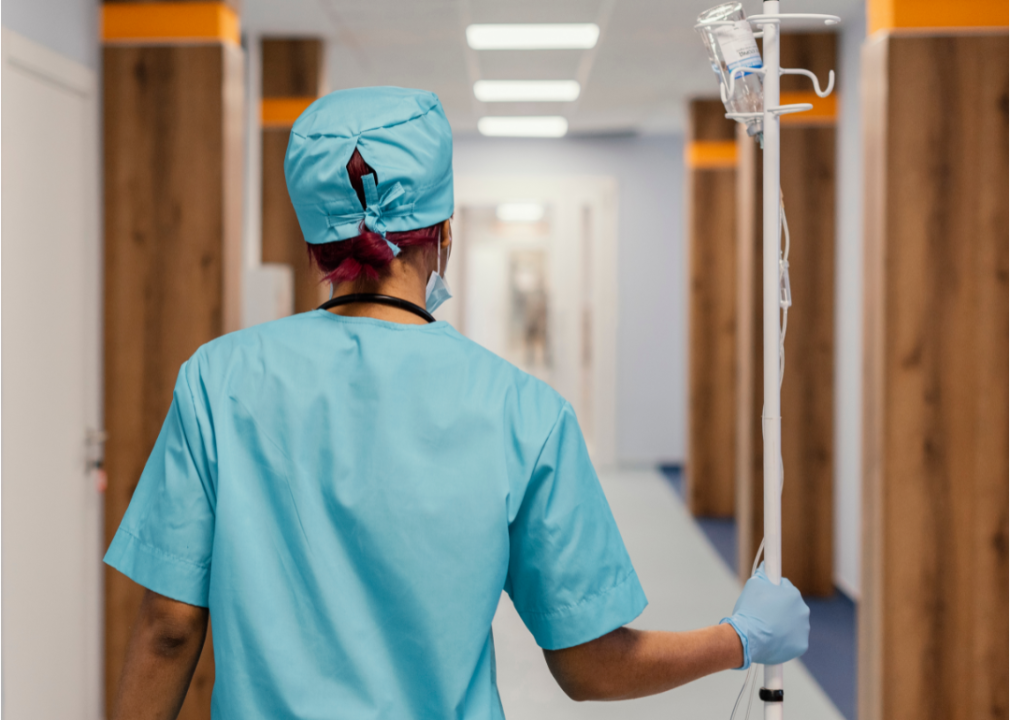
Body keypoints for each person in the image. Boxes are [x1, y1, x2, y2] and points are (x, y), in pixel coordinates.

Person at [105, 86, 809, 720]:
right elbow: (589, 666)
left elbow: (169, 627)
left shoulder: (216, 381)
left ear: (318, 244)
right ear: (444, 235)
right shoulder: (522, 412)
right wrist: (737, 640)